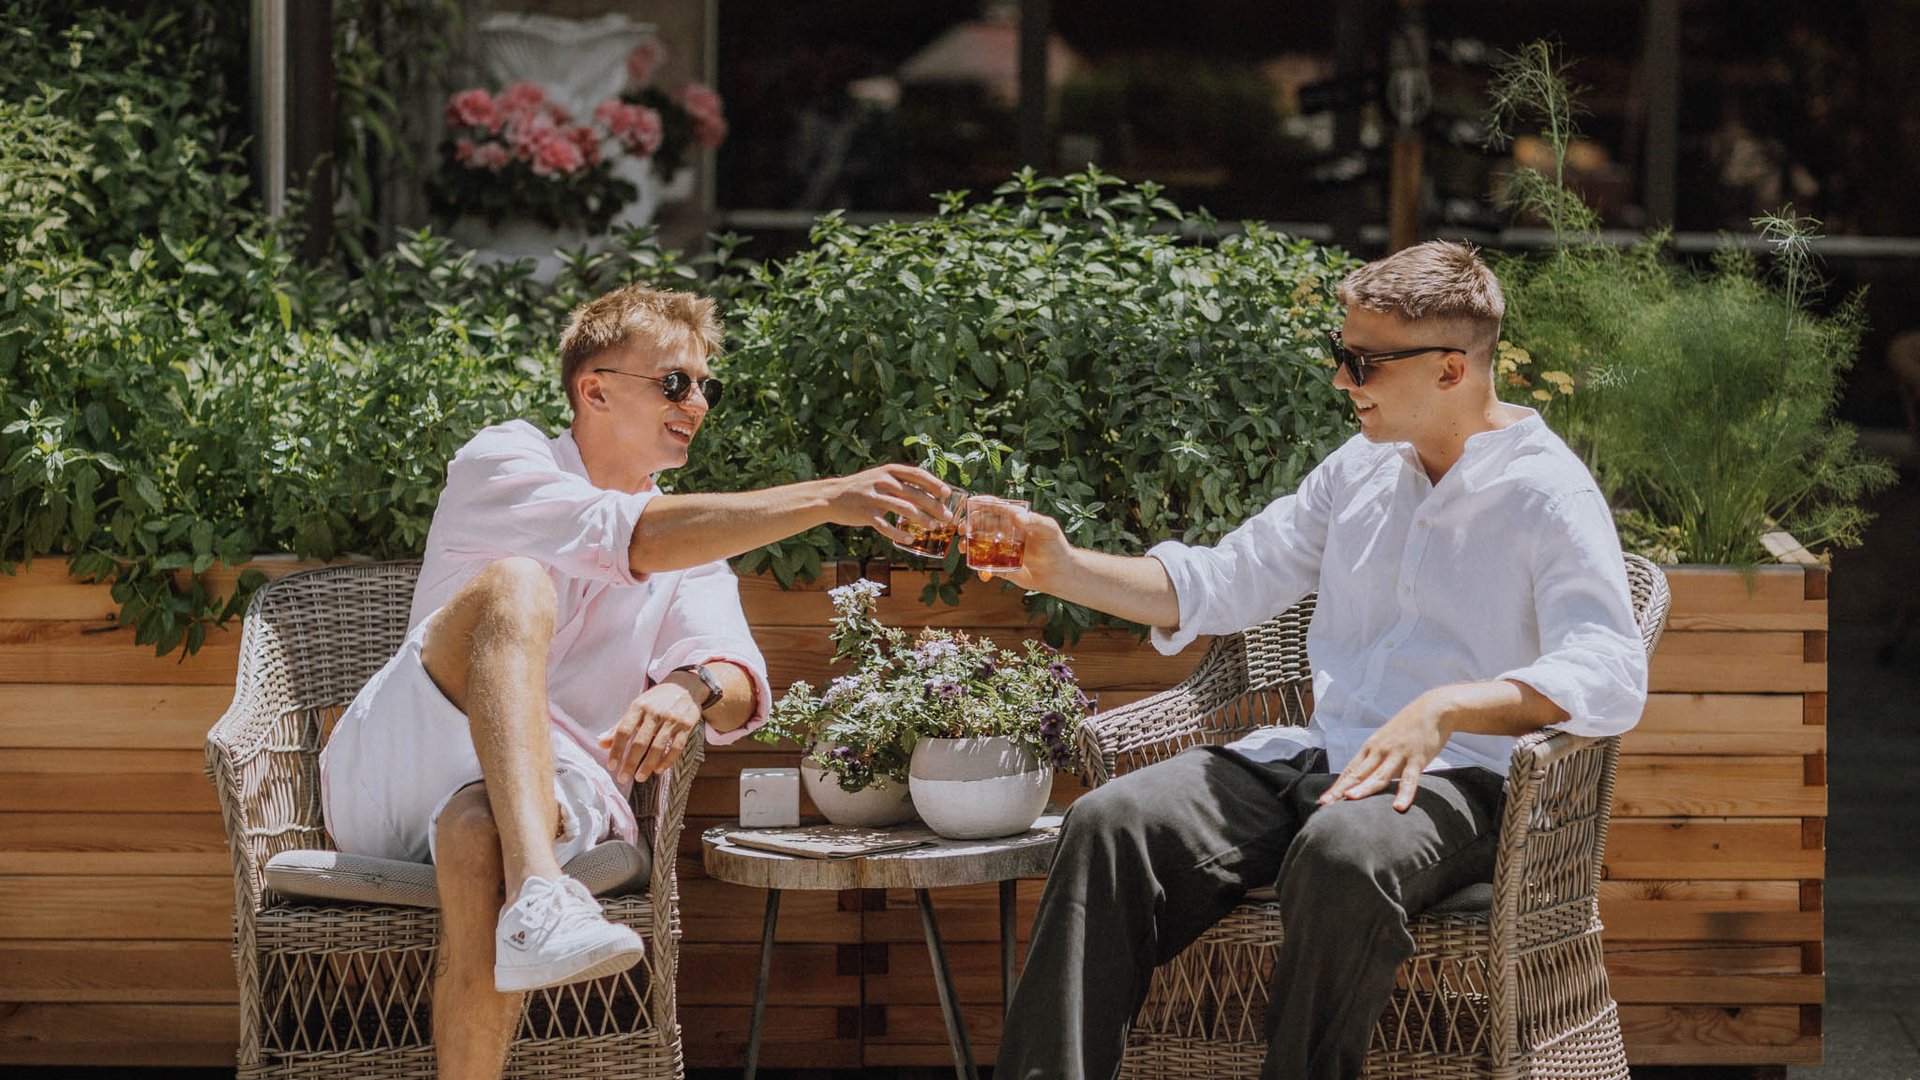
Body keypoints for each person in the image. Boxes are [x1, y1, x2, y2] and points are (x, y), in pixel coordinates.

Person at [992, 241, 1649, 1080]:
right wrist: (1064, 568)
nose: (1342, 379)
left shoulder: (1548, 494)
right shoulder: (1360, 469)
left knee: (1340, 855)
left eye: (1362, 361)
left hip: (1471, 785)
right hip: (1324, 756)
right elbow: (1225, 580)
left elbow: (1609, 668)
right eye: (1340, 355)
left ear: (1451, 370)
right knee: (1110, 823)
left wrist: (1447, 707)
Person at [318, 283, 953, 1080]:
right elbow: (631, 539)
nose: (697, 402)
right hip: (400, 761)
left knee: (481, 829)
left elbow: (743, 683)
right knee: (516, 583)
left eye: (705, 386)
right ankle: (544, 891)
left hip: (549, 796)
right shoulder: (502, 459)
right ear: (594, 389)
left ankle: (534, 902)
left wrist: (688, 687)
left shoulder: (694, 548)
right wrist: (828, 498)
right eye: (674, 382)